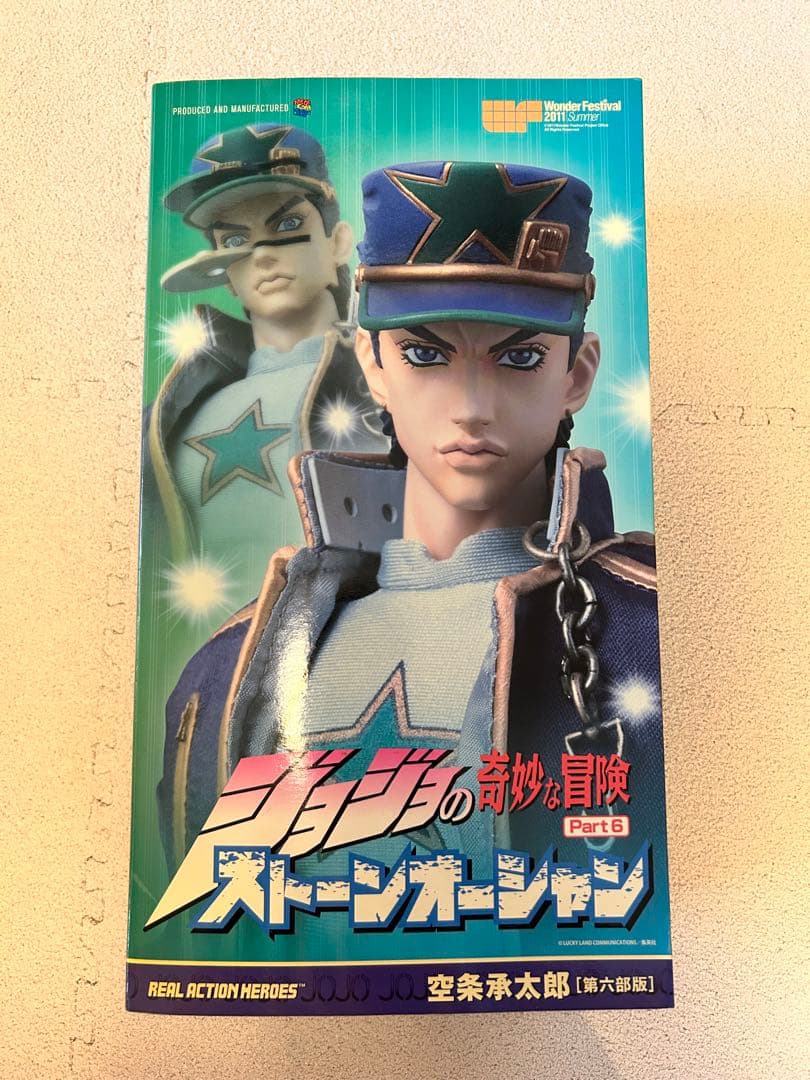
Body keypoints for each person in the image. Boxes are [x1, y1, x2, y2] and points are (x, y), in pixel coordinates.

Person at [156, 159, 665, 882]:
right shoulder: (227, 667)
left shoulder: (649, 631)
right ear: (372, 363)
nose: (471, 407)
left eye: (520, 357)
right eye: (425, 354)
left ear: (577, 374)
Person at [143, 123, 384, 614]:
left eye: (289, 225)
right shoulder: (168, 419)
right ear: (224, 274)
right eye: (235, 239)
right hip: (220, 647)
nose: (265, 254)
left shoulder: (392, 385)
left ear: (338, 241)